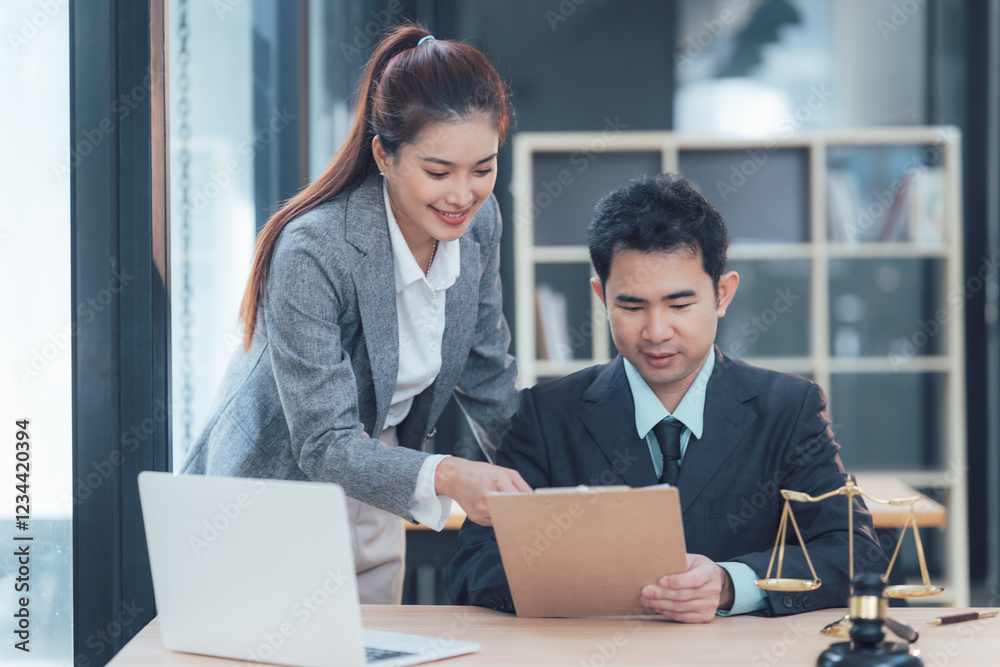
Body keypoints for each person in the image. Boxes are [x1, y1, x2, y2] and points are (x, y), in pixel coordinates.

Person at [181, 24, 531, 605]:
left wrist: (554, 493)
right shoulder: (314, 249)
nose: (462, 195)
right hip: (271, 489)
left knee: (377, 639)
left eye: (483, 168)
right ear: (383, 156)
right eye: (438, 172)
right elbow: (323, 440)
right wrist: (449, 474)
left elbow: (488, 375)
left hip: (378, 473)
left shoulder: (480, 224)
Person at [445, 173, 888, 622]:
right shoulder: (547, 414)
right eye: (631, 306)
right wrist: (594, 578)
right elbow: (473, 570)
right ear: (601, 297)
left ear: (722, 294)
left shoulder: (788, 408)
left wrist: (731, 583)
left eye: (679, 305)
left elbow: (856, 555)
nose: (656, 332)